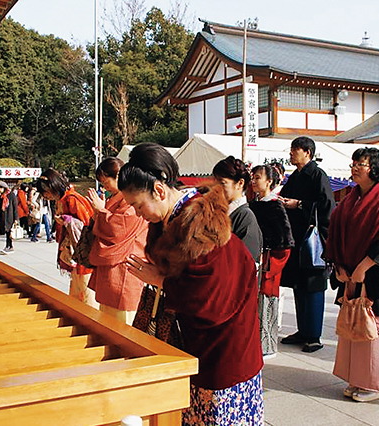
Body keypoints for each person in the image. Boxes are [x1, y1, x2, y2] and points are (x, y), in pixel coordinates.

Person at [120, 143, 263, 425]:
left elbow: (212, 300)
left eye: (138, 205)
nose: (138, 214)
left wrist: (160, 280)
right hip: (198, 342)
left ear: (159, 191)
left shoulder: (202, 230)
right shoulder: (176, 220)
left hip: (226, 348)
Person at [326, 147, 379, 403]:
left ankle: (372, 384)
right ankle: (354, 378)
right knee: (353, 330)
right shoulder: (351, 198)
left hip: (376, 275)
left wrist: (365, 266)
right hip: (350, 274)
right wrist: (339, 265)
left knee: (374, 330)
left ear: (375, 169)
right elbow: (336, 231)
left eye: (361, 163)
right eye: (354, 163)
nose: (355, 167)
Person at [279, 136, 334, 353]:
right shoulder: (297, 175)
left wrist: (300, 204)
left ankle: (314, 335)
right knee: (299, 286)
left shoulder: (318, 174)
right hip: (297, 238)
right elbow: (287, 196)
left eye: (295, 150)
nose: (291, 153)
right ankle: (303, 330)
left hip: (313, 240)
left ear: (308, 153)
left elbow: (327, 205)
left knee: (313, 288)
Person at [85, 157, 149, 324]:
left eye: (106, 183)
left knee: (124, 320)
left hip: (126, 265)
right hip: (113, 265)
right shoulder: (115, 197)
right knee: (109, 318)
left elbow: (119, 227)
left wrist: (101, 210)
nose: (105, 187)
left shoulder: (130, 198)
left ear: (119, 176)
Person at [249, 164, 294, 356]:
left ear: (269, 182)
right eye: (253, 176)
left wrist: (270, 266)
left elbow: (285, 243)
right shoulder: (254, 204)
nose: (253, 180)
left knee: (266, 304)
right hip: (255, 260)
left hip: (267, 263)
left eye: (257, 177)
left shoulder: (275, 206)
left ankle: (266, 346)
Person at [36, 168, 97, 307]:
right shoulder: (63, 199)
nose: (44, 196)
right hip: (75, 251)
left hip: (83, 252)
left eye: (45, 192)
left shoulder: (72, 200)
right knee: (78, 287)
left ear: (52, 187)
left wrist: (67, 220)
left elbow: (87, 225)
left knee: (86, 289)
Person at [212, 156, 263, 261]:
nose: (216, 188)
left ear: (240, 183)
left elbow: (245, 261)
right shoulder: (219, 212)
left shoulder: (245, 217)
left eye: (222, 183)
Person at [0, 181, 18, 254]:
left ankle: (9, 246)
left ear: (3, 188)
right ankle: (8, 246)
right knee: (7, 232)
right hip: (3, 217)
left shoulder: (11, 195)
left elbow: (15, 208)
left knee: (9, 232)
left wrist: (16, 219)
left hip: (10, 217)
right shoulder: (1, 197)